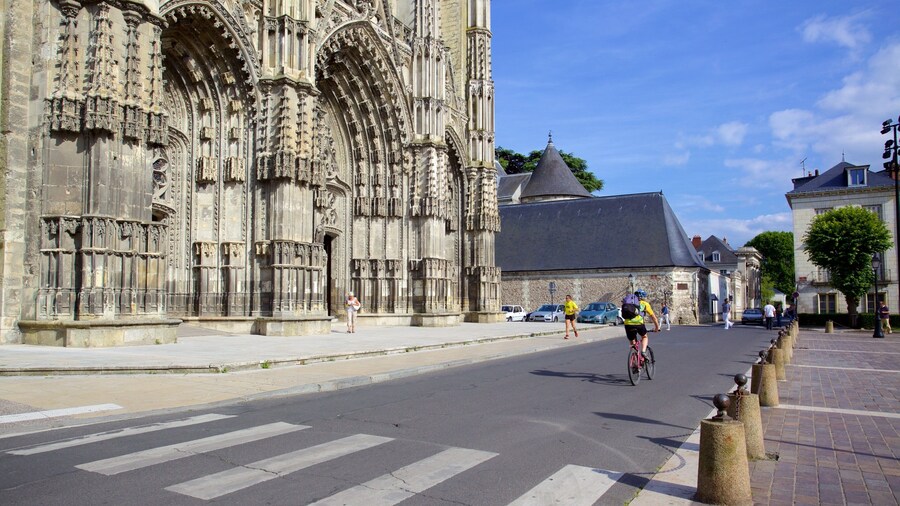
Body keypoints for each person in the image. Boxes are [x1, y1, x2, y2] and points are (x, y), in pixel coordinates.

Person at [623, 289, 660, 359]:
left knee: (632, 342)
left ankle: (634, 360)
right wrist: (657, 327)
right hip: (639, 324)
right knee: (644, 337)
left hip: (628, 324)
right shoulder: (645, 304)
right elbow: (653, 317)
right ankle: (643, 351)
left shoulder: (629, 303)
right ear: (643, 297)